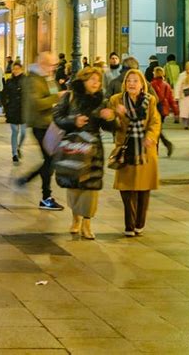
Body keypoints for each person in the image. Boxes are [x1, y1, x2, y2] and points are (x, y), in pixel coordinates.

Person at [53, 67, 116, 239]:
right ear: (83, 80)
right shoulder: (70, 97)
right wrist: (74, 121)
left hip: (93, 148)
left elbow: (110, 127)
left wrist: (110, 118)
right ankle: (75, 218)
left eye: (98, 80)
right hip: (73, 145)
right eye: (92, 80)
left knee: (91, 188)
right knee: (73, 185)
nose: (96, 83)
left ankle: (87, 223)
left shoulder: (102, 100)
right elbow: (57, 117)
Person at [108, 69, 161, 237]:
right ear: (124, 83)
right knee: (127, 188)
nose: (132, 83)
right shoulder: (116, 100)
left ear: (142, 84)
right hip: (126, 149)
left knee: (144, 189)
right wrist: (115, 116)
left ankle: (140, 224)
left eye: (135, 81)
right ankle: (129, 225)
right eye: (129, 80)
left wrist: (151, 137)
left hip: (145, 151)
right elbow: (111, 124)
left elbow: (155, 121)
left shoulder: (150, 100)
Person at [17, 52, 64, 211]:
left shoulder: (47, 77)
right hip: (40, 125)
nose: (54, 68)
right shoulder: (33, 79)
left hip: (51, 125)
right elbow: (37, 103)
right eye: (52, 65)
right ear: (43, 64)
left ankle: (30, 181)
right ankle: (45, 197)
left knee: (51, 160)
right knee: (50, 160)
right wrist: (57, 97)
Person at [2, 61, 25, 163]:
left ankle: (18, 147)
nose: (15, 71)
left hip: (24, 110)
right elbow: (4, 95)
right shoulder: (9, 82)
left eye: (17, 69)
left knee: (23, 133)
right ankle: (14, 153)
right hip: (12, 109)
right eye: (14, 69)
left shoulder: (26, 81)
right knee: (15, 131)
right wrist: (5, 106)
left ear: (21, 69)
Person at [151, 66, 177, 156]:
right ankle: (165, 146)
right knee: (158, 129)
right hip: (164, 110)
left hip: (156, 109)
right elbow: (171, 99)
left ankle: (162, 147)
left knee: (156, 130)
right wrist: (176, 111)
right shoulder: (166, 85)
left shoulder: (153, 84)